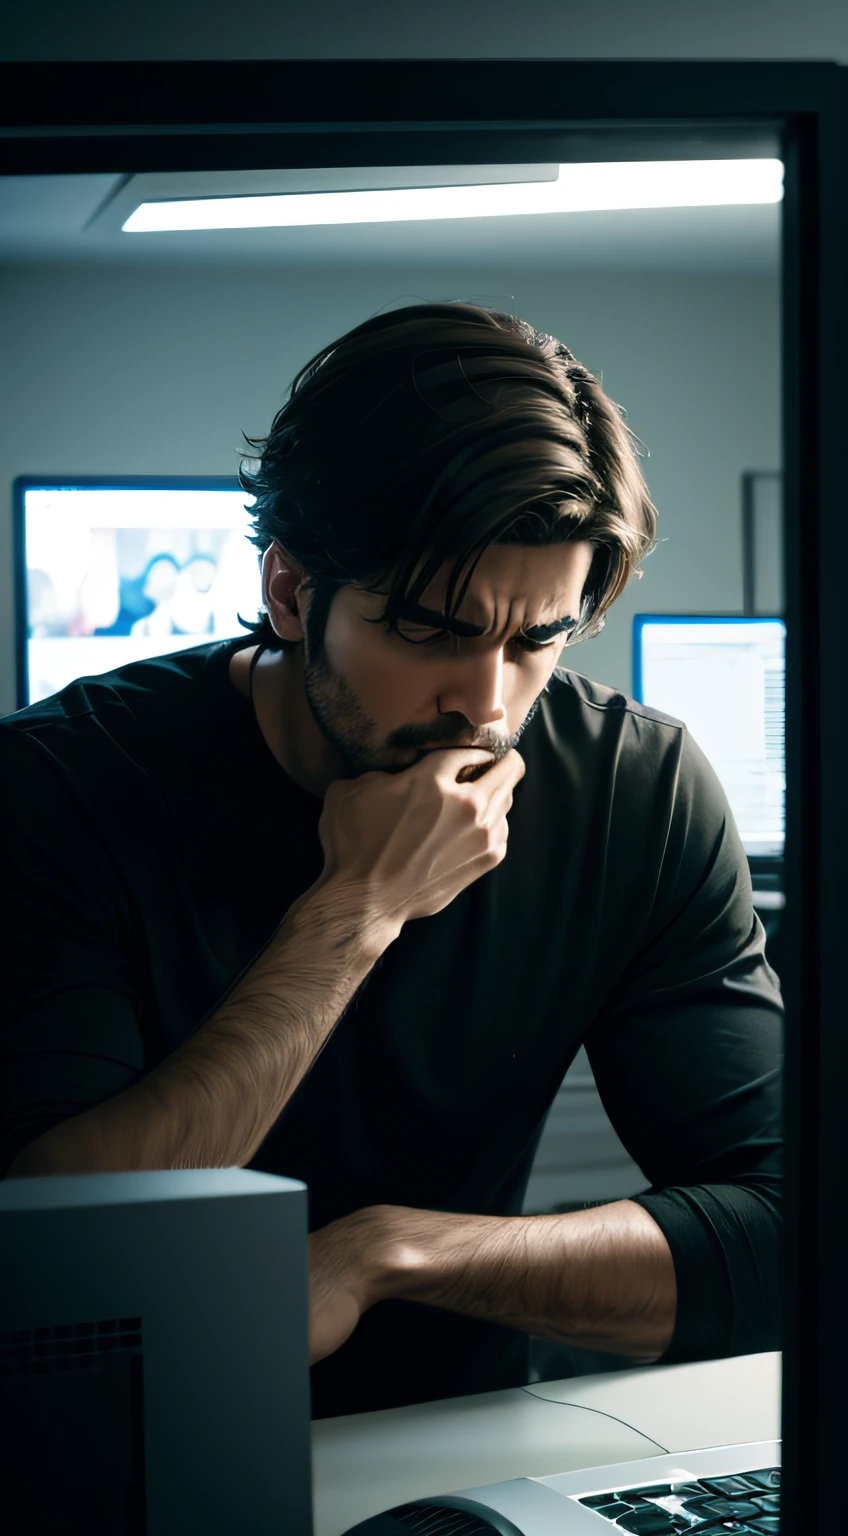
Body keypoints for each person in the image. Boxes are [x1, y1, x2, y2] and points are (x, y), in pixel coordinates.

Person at [0, 301, 782, 1420]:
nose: (488, 704)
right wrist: (355, 909)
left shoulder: (634, 791)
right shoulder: (57, 788)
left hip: (453, 1442)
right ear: (290, 592)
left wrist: (388, 1255)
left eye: (536, 639)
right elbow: (56, 1262)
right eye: (433, 630)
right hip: (107, 1449)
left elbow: (779, 1234)